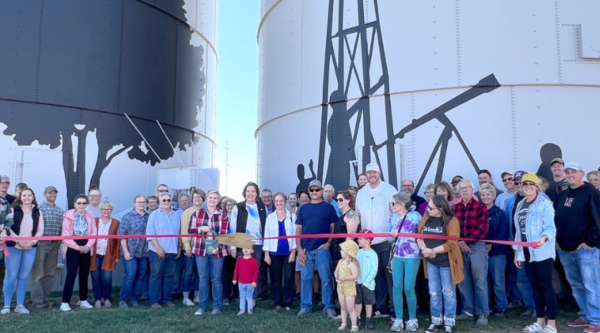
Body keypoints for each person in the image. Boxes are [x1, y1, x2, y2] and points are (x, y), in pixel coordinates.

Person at [554, 161, 600, 333]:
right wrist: (558, 241)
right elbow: (558, 219)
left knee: (591, 284)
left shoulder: (591, 193)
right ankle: (585, 315)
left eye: (574, 171)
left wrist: (590, 242)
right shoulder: (564, 193)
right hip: (565, 249)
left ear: (582, 173)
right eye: (568, 172)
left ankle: (596, 320)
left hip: (585, 248)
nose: (570, 174)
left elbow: (598, 220)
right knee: (576, 284)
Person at [513, 174, 558, 333]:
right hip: (526, 252)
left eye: (531, 184)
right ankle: (540, 322)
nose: (528, 187)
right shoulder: (520, 205)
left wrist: (544, 238)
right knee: (535, 287)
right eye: (525, 184)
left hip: (542, 252)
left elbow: (550, 228)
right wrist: (517, 253)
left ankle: (551, 324)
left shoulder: (545, 203)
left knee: (546, 286)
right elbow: (518, 232)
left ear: (537, 186)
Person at [417, 196, 465, 333]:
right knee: (434, 293)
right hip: (431, 262)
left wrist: (432, 251)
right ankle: (435, 321)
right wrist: (424, 249)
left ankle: (449, 322)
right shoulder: (426, 217)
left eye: (431, 208)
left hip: (446, 263)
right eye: (428, 207)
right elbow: (419, 235)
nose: (428, 210)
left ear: (440, 209)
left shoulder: (451, 220)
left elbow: (452, 242)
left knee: (448, 292)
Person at [355, 163, 397, 318]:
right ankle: (381, 307)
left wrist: (393, 236)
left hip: (386, 241)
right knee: (375, 276)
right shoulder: (361, 193)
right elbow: (358, 215)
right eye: (369, 172)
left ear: (379, 173)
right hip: (368, 243)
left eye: (374, 172)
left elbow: (396, 212)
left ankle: (395, 309)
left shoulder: (390, 189)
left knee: (391, 276)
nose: (372, 175)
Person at [295, 179, 337, 317]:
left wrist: (329, 243)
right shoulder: (303, 208)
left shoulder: (329, 207)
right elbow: (299, 230)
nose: (314, 192)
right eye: (312, 190)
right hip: (306, 249)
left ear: (322, 191)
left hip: (322, 249)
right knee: (306, 278)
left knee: (326, 278)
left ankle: (328, 305)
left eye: (317, 190)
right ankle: (306, 306)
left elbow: (333, 227)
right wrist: (299, 249)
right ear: (309, 191)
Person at [452, 179, 490, 325]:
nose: (464, 191)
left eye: (467, 188)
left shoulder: (481, 207)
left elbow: (483, 228)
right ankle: (468, 310)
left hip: (477, 246)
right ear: (459, 191)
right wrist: (459, 242)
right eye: (462, 189)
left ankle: (482, 313)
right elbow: (452, 229)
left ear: (472, 190)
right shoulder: (455, 209)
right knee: (462, 280)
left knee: (480, 280)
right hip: (459, 247)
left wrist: (465, 241)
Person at [0, 188, 44, 315]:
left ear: (33, 197)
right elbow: (8, 227)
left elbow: (40, 230)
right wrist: (19, 241)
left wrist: (32, 242)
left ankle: (20, 305)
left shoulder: (38, 212)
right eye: (24, 195)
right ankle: (7, 305)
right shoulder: (13, 210)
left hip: (30, 248)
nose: (26, 197)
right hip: (14, 247)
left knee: (23, 277)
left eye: (29, 195)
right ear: (20, 197)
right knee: (11, 276)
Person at [191, 190, 230, 315]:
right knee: (203, 279)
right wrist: (200, 228)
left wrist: (217, 246)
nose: (212, 200)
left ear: (218, 200)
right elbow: (191, 231)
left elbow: (225, 233)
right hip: (201, 249)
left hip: (217, 250)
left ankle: (217, 307)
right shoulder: (197, 213)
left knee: (216, 279)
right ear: (206, 199)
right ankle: (202, 306)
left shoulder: (222, 214)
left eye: (215, 198)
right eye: (210, 197)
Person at [505, 170, 537, 317]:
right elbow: (510, 223)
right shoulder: (512, 201)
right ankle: (530, 306)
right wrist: (513, 244)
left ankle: (539, 307)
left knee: (537, 277)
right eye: (517, 183)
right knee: (522, 277)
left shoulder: (540, 199)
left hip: (536, 245)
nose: (520, 185)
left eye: (522, 183)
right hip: (519, 245)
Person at [389, 192, 422, 332]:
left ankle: (413, 318)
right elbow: (390, 238)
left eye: (393, 203)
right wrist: (392, 234)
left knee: (408, 287)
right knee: (397, 286)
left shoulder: (415, 216)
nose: (391, 206)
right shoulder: (393, 217)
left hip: (412, 255)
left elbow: (421, 234)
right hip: (397, 254)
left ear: (402, 204)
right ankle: (398, 318)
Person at [230, 182, 267, 302]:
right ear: (244, 193)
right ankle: (243, 298)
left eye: (253, 191)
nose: (250, 193)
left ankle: (253, 298)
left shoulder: (262, 207)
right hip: (242, 244)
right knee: (243, 271)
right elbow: (232, 228)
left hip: (258, 245)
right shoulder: (238, 207)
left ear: (257, 193)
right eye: (248, 191)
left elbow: (266, 227)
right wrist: (233, 247)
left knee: (255, 271)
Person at [60, 194, 98, 312]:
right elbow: (65, 235)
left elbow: (93, 233)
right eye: (79, 203)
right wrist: (77, 247)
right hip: (72, 246)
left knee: (84, 273)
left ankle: (83, 300)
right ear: (75, 204)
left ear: (87, 204)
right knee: (71, 273)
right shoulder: (68, 216)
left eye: (84, 203)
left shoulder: (90, 216)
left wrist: (87, 246)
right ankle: (65, 302)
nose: (81, 205)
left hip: (86, 246)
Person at [30, 185, 64, 309]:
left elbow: (62, 228)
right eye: (50, 193)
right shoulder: (39, 209)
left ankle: (46, 298)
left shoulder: (60, 211)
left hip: (55, 244)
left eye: (54, 193)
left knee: (50, 273)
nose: (52, 195)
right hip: (41, 244)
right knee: (38, 272)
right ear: (45, 194)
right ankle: (37, 300)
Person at [479, 184, 510, 316]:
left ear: (493, 196)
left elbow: (503, 232)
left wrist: (491, 245)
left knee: (498, 281)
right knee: (483, 281)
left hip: (497, 253)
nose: (485, 197)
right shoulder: (478, 212)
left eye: (488, 194)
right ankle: (486, 306)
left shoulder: (499, 213)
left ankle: (501, 306)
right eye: (483, 195)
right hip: (480, 253)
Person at [146, 192, 180, 309]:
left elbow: (179, 233)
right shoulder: (154, 215)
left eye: (168, 200)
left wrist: (179, 247)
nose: (166, 202)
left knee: (169, 275)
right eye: (164, 200)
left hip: (172, 250)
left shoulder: (176, 215)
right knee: (156, 275)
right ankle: (154, 301)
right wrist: (159, 249)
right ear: (160, 201)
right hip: (156, 251)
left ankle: (166, 299)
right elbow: (150, 234)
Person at [263, 192, 297, 311]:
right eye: (276, 201)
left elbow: (295, 236)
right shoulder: (270, 217)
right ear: (273, 202)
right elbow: (266, 235)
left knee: (288, 278)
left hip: (288, 252)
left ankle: (288, 303)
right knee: (275, 278)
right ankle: (277, 302)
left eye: (281, 201)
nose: (279, 203)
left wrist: (293, 252)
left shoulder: (292, 216)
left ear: (285, 201)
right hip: (274, 253)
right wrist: (266, 254)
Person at [118, 195, 149, 308]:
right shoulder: (128, 217)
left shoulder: (148, 216)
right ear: (134, 203)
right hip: (130, 251)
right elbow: (121, 235)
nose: (141, 204)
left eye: (143, 202)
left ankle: (135, 298)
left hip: (144, 252)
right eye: (139, 202)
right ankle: (123, 299)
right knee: (130, 275)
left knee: (140, 276)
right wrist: (125, 252)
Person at [90, 201, 120, 308]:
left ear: (111, 211)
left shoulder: (116, 223)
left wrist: (117, 256)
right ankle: (97, 298)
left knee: (107, 277)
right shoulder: (95, 221)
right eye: (104, 209)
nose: (106, 211)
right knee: (96, 277)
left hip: (109, 254)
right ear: (100, 210)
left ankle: (106, 298)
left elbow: (118, 241)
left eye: (108, 209)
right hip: (95, 254)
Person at [179, 189, 206, 306]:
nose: (197, 199)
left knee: (200, 273)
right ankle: (185, 297)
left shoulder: (206, 211)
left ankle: (197, 296)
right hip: (190, 247)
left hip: (202, 247)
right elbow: (184, 230)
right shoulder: (187, 212)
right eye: (195, 197)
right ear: (192, 198)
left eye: (200, 197)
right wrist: (187, 247)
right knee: (189, 272)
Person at [355, 230, 378, 330]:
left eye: (360, 238)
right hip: (357, 282)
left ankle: (368, 320)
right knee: (358, 301)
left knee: (368, 302)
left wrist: (366, 281)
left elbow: (374, 270)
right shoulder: (358, 252)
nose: (358, 240)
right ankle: (357, 319)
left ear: (368, 240)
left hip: (368, 284)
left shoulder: (373, 254)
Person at [335, 240, 360, 332]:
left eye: (342, 250)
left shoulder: (352, 264)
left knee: (350, 307)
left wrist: (345, 277)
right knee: (343, 306)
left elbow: (355, 275)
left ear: (348, 252)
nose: (340, 251)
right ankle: (344, 323)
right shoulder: (340, 262)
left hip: (349, 287)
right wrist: (336, 274)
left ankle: (354, 325)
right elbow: (336, 271)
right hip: (341, 287)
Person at [331, 191, 360, 265]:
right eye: (337, 200)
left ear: (348, 200)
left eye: (341, 199)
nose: (338, 202)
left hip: (346, 254)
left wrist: (345, 254)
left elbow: (351, 236)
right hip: (338, 253)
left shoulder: (351, 214)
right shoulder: (342, 216)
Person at [233, 244, 259, 315]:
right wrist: (235, 279)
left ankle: (250, 309)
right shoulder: (239, 259)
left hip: (250, 283)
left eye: (248, 248)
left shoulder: (253, 260)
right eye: (244, 248)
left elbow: (256, 272)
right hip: (241, 283)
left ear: (252, 250)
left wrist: (254, 281)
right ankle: (242, 309)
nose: (246, 250)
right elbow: (236, 270)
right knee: (242, 296)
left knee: (249, 296)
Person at [221, 196, 237, 305]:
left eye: (232, 204)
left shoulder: (239, 217)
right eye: (228, 205)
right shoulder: (222, 217)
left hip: (237, 249)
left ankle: (236, 295)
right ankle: (226, 296)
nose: (230, 206)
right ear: (225, 207)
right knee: (226, 274)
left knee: (237, 273)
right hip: (225, 249)